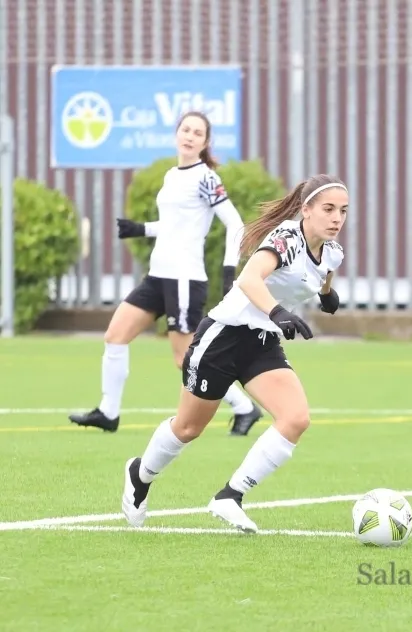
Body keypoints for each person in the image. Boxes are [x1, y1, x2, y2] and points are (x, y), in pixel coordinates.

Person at [121, 174, 347, 533]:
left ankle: (231, 495)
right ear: (306, 210)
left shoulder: (332, 251)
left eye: (343, 211)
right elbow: (250, 279)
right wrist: (278, 312)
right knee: (189, 427)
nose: (337, 218)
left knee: (295, 418)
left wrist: (326, 296)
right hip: (223, 337)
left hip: (261, 344)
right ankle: (140, 474)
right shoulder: (287, 237)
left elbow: (323, 275)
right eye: (329, 209)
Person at [68, 112, 263, 436]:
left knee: (184, 359)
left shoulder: (206, 178)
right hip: (158, 276)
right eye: (185, 129)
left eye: (197, 132)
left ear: (205, 142)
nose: (189, 136)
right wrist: (140, 229)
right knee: (115, 336)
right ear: (176, 134)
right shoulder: (173, 174)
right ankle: (108, 413)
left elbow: (235, 223)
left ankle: (245, 407)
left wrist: (230, 269)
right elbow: (176, 224)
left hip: (185, 279)